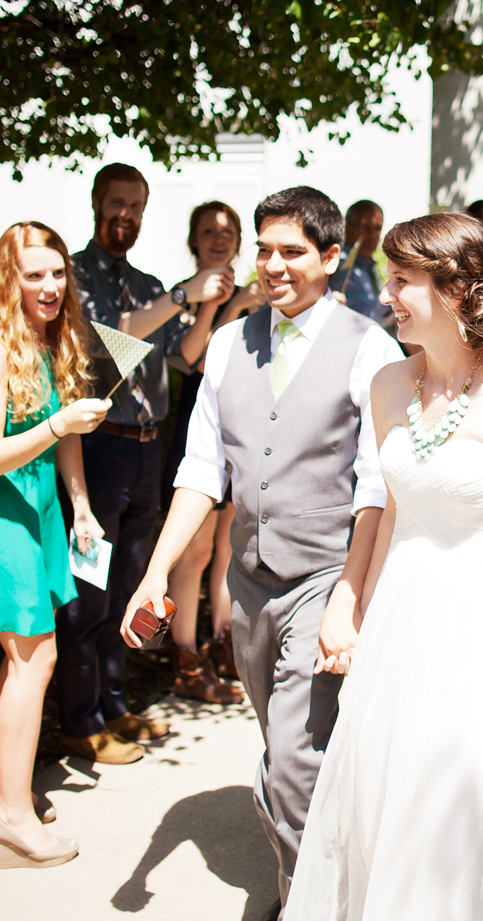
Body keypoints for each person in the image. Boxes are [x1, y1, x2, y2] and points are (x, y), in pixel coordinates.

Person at [288, 213, 483, 919]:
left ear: (454, 290)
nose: (386, 294)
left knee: (454, 833)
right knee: (381, 816)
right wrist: (350, 602)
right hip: (399, 630)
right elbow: (392, 510)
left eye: (401, 280)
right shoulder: (390, 384)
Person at [120, 187, 405, 909]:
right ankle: (320, 863)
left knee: (295, 755)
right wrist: (154, 571)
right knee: (285, 744)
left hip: (324, 575)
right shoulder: (226, 342)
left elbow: (375, 486)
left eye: (292, 251)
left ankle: (308, 895)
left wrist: (349, 597)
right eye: (265, 249)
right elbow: (199, 471)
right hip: (249, 581)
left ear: (332, 258)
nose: (272, 265)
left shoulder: (369, 346)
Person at [0, 221, 108, 869]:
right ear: (8, 279)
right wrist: (60, 421)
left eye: (57, 272)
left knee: (28, 658)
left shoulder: (51, 339)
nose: (49, 285)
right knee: (34, 658)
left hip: (37, 513)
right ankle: (9, 815)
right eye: (33, 273)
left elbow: (65, 436)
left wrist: (83, 505)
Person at [60, 165, 231, 761]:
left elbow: (183, 358)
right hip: (100, 447)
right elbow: (113, 341)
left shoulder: (148, 280)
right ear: (96, 204)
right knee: (88, 590)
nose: (127, 215)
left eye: (136, 205)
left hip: (146, 449)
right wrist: (184, 294)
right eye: (117, 203)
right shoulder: (74, 277)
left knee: (128, 587)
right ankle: (80, 720)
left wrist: (208, 306)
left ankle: (114, 706)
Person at [165, 200, 265, 704]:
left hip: (240, 431)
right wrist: (221, 304)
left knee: (228, 550)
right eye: (208, 231)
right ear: (194, 240)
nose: (219, 238)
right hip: (197, 429)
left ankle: (222, 640)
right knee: (197, 550)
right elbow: (193, 357)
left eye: (228, 230)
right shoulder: (182, 297)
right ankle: (185, 654)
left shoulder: (259, 295)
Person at [327, 200, 389, 325]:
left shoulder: (368, 265)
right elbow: (360, 318)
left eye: (377, 228)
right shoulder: (341, 266)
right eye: (366, 228)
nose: (372, 235)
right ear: (347, 228)